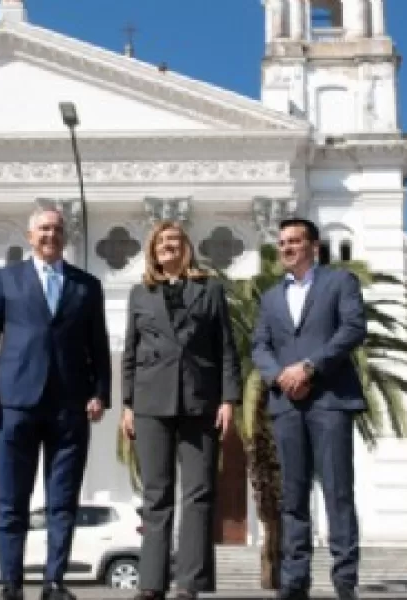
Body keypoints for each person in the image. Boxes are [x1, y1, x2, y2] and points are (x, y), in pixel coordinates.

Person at [0, 206, 111, 600]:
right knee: (11, 499)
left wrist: (101, 392)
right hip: (14, 402)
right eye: (44, 229)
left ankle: (53, 582)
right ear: (31, 236)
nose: (51, 235)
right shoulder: (6, 279)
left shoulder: (86, 285)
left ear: (64, 236)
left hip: (69, 404)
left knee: (62, 500)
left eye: (57, 229)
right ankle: (12, 584)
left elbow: (97, 344)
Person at [121, 220, 242, 600]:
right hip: (151, 400)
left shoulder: (210, 290)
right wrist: (127, 404)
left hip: (199, 398)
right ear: (153, 251)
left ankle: (190, 582)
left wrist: (228, 399)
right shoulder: (140, 294)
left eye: (175, 240)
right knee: (156, 493)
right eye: (162, 242)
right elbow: (130, 352)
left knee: (199, 491)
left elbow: (225, 347)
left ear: (186, 247)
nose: (169, 246)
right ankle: (151, 582)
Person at [251, 218, 367, 600]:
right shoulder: (269, 298)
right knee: (293, 495)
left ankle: (345, 579)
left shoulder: (340, 283)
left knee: (337, 490)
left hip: (329, 401)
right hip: (286, 404)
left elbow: (352, 329)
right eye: (282, 242)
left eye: (294, 241)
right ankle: (294, 578)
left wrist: (310, 367)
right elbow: (260, 347)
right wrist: (279, 375)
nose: (286, 248)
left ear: (314, 246)